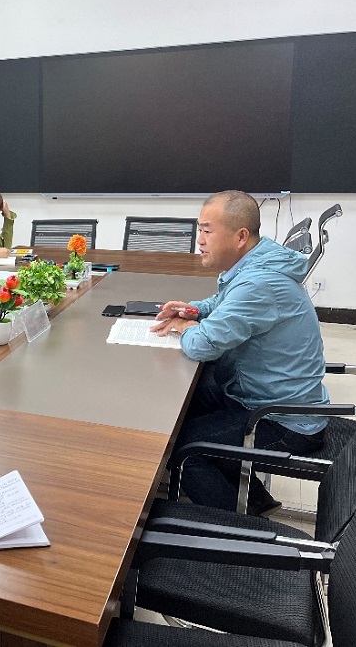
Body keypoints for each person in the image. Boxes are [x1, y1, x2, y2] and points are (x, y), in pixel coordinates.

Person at [150, 190, 329, 514]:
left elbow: (203, 345)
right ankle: (256, 502)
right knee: (180, 408)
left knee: (184, 447)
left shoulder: (258, 284)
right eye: (199, 230)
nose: (199, 240)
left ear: (241, 236)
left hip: (283, 419)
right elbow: (223, 303)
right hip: (260, 395)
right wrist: (194, 311)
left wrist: (186, 328)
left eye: (207, 231)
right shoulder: (257, 262)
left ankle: (240, 529)